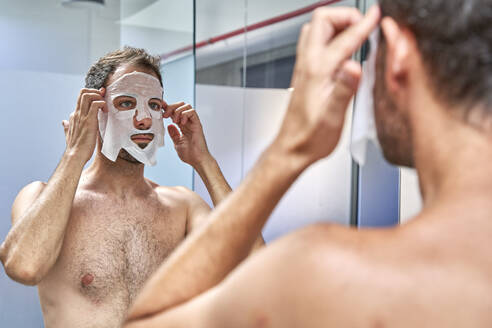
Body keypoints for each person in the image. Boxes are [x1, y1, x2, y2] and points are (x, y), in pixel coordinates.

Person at [123, 0, 492, 327]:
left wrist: (290, 148)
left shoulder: (329, 275)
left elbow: (144, 322)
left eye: (371, 54)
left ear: (396, 56)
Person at [0, 47, 264, 327]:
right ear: (95, 112)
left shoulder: (180, 207)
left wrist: (204, 161)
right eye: (127, 103)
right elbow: (24, 268)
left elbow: (256, 264)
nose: (144, 119)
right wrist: (75, 154)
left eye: (154, 105)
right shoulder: (42, 197)